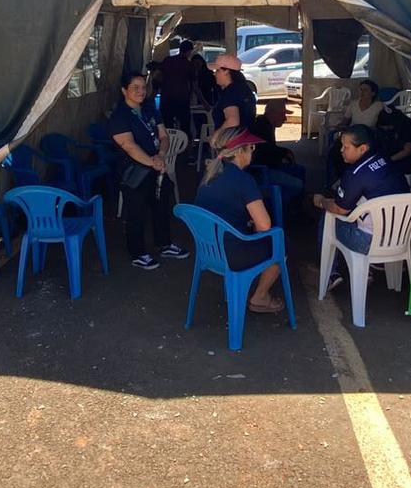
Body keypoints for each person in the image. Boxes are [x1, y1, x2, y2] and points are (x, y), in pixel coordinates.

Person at [195, 126, 285, 313]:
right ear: (240, 152)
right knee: (281, 243)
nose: (253, 151)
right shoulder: (244, 180)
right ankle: (259, 297)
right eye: (251, 147)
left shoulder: (209, 175)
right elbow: (264, 225)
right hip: (232, 254)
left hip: (209, 251)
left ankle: (242, 288)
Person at [107, 70, 188, 270]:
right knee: (136, 212)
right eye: (135, 87)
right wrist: (152, 162)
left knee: (162, 206)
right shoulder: (120, 116)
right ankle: (138, 253)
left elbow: (164, 136)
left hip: (155, 166)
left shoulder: (150, 109)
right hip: (134, 171)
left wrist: (160, 155)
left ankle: (164, 243)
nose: (141, 91)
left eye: (143, 87)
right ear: (124, 90)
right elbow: (129, 145)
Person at [313, 124, 409, 290]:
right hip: (400, 237)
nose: (341, 150)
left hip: (369, 241)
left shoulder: (356, 174)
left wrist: (321, 200)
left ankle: (330, 275)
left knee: (328, 217)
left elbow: (340, 209)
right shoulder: (386, 160)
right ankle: (370, 266)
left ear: (362, 148)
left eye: (346, 147)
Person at [249, 100, 305, 211]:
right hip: (261, 171)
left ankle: (298, 209)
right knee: (297, 185)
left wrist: (284, 153)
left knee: (300, 170)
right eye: (282, 114)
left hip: (270, 166)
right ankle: (279, 210)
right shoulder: (261, 127)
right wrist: (284, 153)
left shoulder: (267, 124)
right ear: (272, 113)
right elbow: (265, 152)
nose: (285, 118)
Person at [210, 52, 257, 136]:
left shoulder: (230, 93)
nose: (214, 73)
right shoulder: (244, 89)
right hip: (246, 139)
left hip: (232, 143)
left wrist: (216, 136)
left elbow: (232, 121)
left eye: (217, 70)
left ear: (227, 71)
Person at [158, 41, 196, 135]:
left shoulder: (168, 60)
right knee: (185, 126)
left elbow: (158, 76)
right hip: (181, 98)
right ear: (189, 52)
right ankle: (185, 147)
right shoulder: (189, 65)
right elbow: (194, 84)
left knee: (167, 126)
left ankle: (169, 147)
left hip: (166, 98)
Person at [375, 100, 411, 177]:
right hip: (388, 154)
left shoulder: (408, 126)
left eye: (388, 127)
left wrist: (388, 160)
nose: (386, 130)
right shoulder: (383, 128)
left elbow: (407, 151)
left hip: (404, 159)